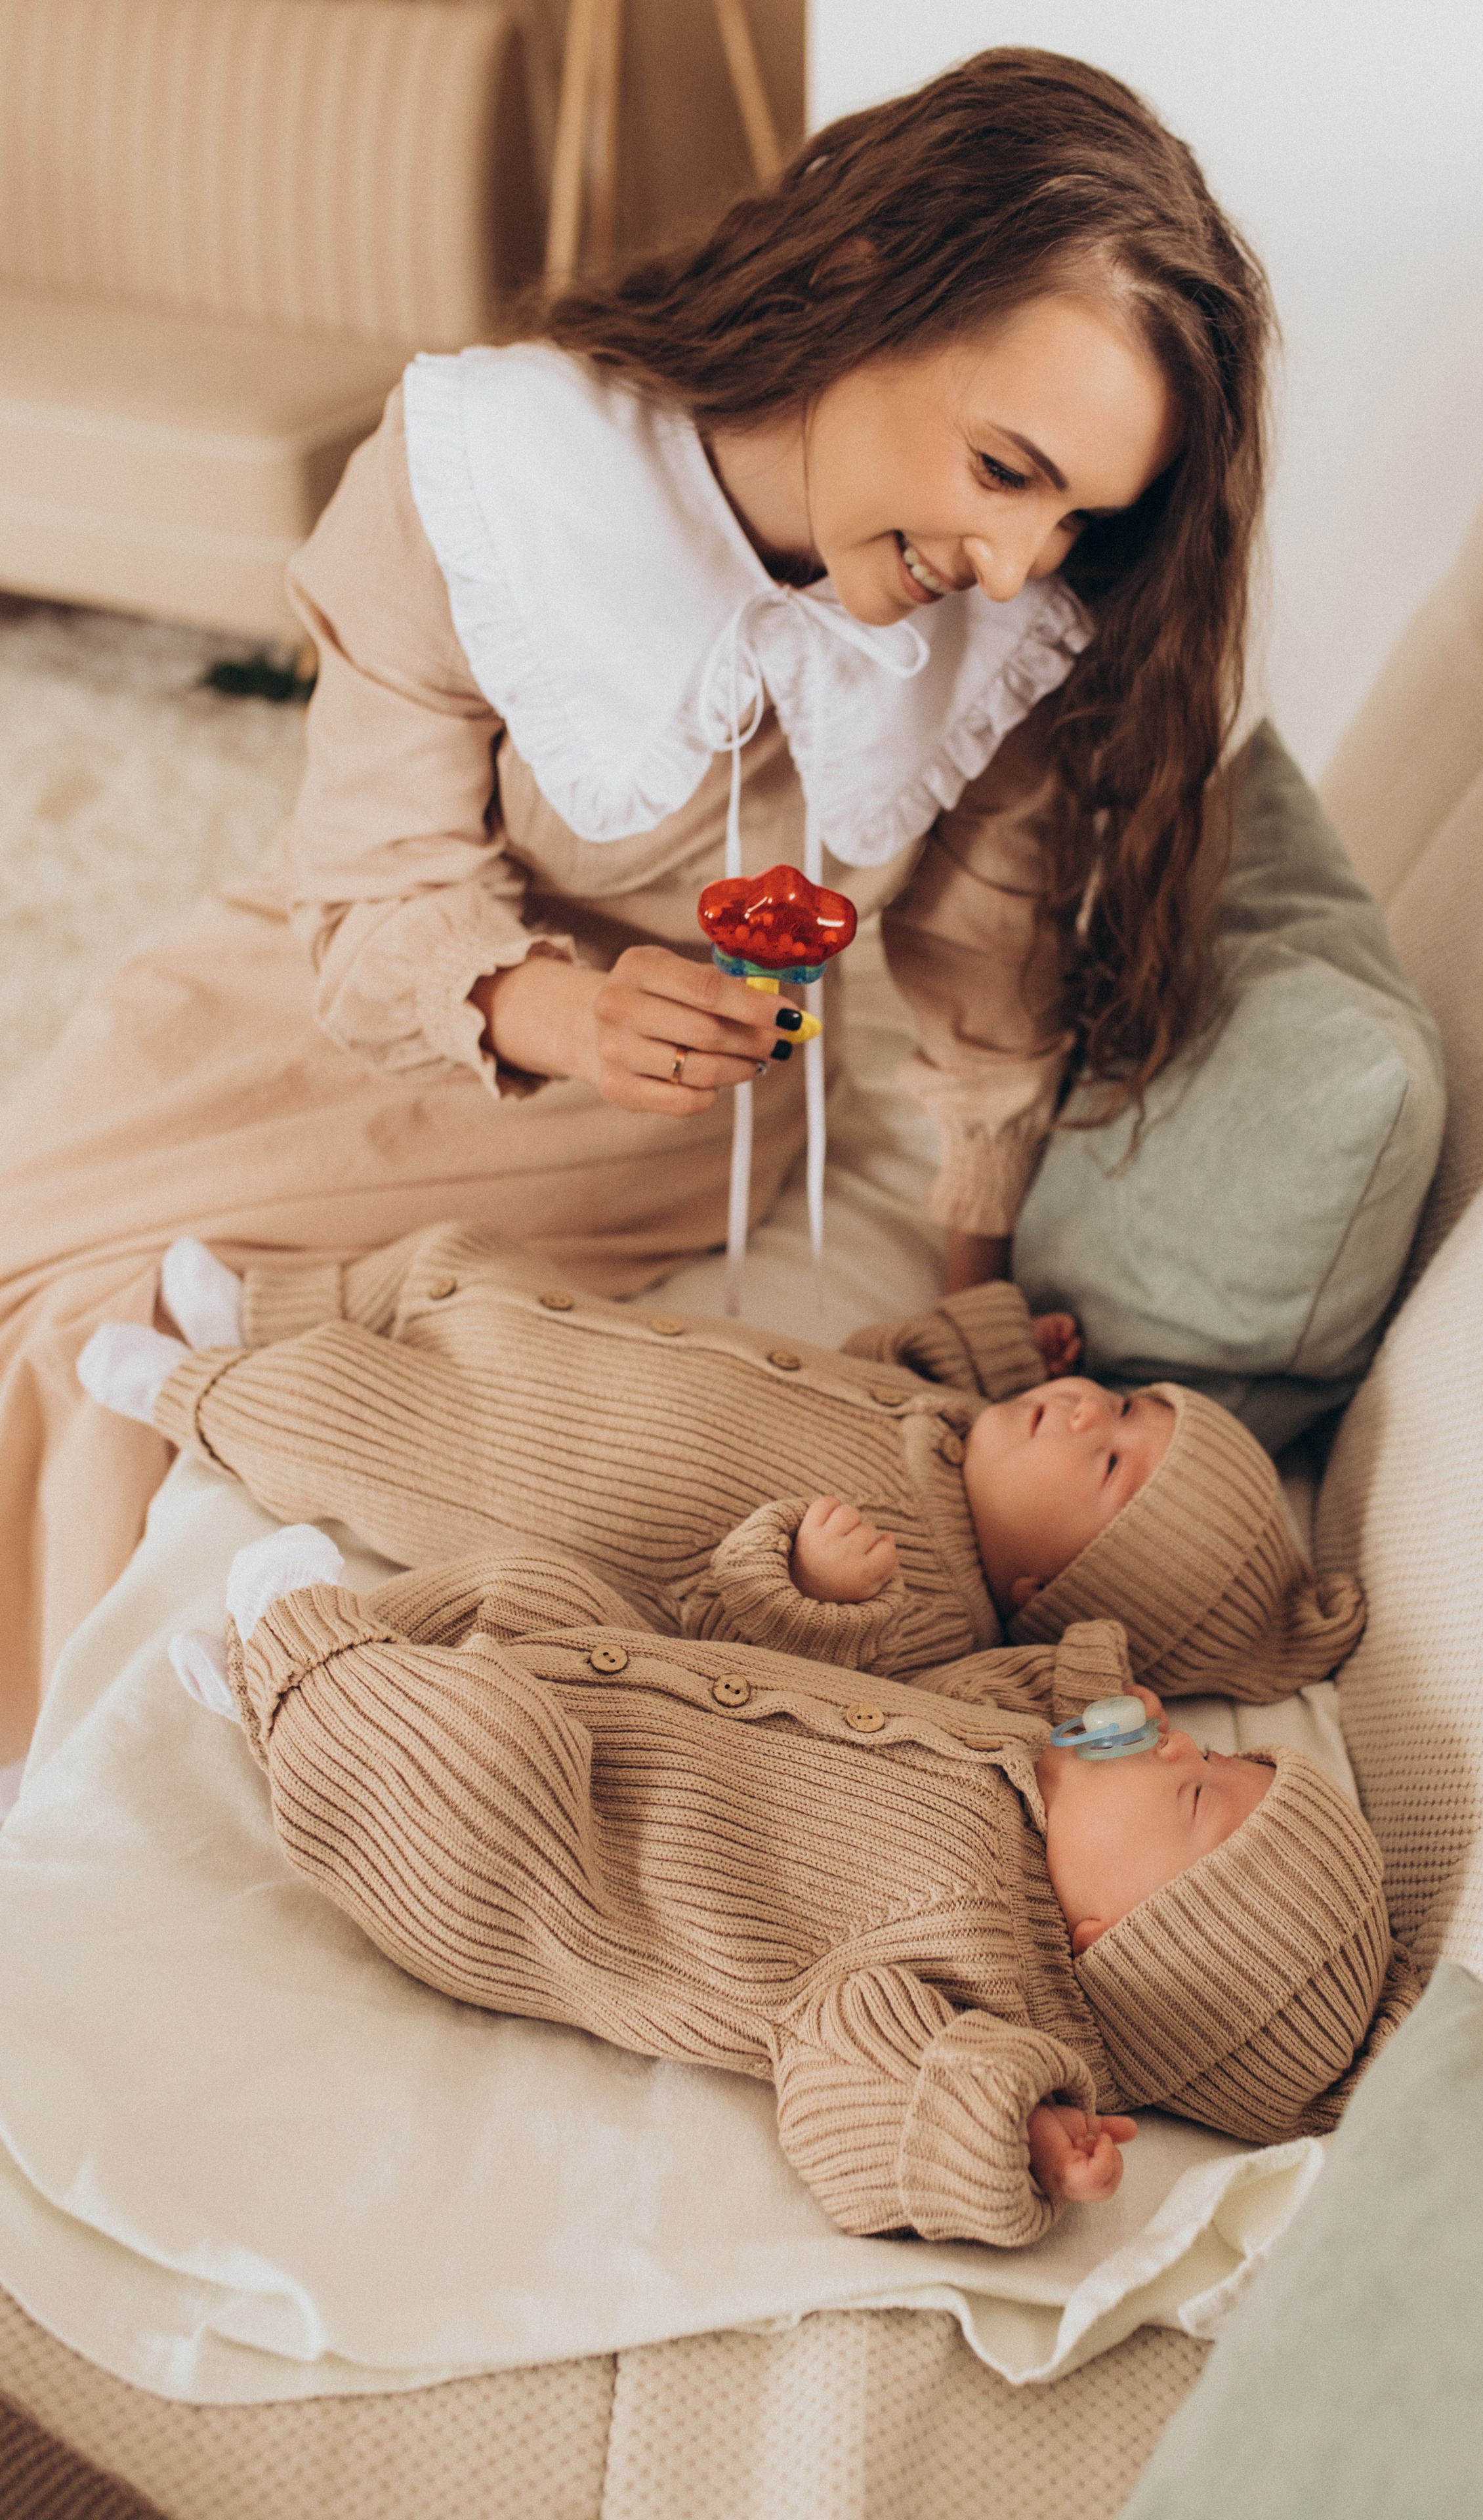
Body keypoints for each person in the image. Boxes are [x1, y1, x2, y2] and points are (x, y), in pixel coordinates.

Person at [0, 47, 1274, 1760]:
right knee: (39, 1267)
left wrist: (966, 1325)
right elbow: (372, 877)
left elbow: (987, 996)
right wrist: (564, 1010)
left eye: (1074, 519)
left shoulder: (1003, 643)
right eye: (1003, 468)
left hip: (635, 1152)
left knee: (144, 1361)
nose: (1023, 559)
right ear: (856, 284)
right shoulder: (491, 473)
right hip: (329, 1012)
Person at [169, 1522, 1416, 2246]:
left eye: (1202, 1798)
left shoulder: (989, 1978)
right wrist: (817, 1601)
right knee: (530, 1586)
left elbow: (847, 2075)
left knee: (476, 1762)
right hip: (610, 1679)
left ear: (1111, 1936)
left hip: (551, 1861)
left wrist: (1010, 2127)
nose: (1192, 1746)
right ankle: (297, 1684)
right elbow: (971, 1694)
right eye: (1229, 1751)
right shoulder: (1022, 1773)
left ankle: (298, 1663)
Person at [79, 1221, 1364, 1694]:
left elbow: (741, 1648)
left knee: (346, 1416)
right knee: (455, 1262)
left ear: (1038, 1596)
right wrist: (985, 1338)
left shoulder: (921, 1614)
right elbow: (878, 1347)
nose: (1089, 1414)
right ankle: (263, 1306)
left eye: (1107, 1468)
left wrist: (803, 1576)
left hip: (513, 1459)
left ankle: (197, 1388)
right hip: (569, 1341)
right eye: (1126, 1404)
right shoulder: (951, 1422)